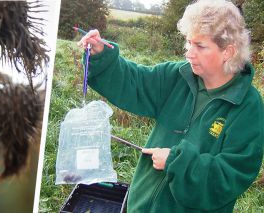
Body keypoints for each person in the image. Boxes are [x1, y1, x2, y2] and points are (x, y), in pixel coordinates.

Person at [78, 0, 264, 212]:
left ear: (228, 52)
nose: (189, 53)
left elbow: (231, 176)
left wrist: (177, 162)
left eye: (200, 46)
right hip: (139, 205)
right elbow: (135, 83)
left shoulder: (248, 107)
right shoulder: (178, 76)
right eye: (188, 42)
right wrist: (102, 56)